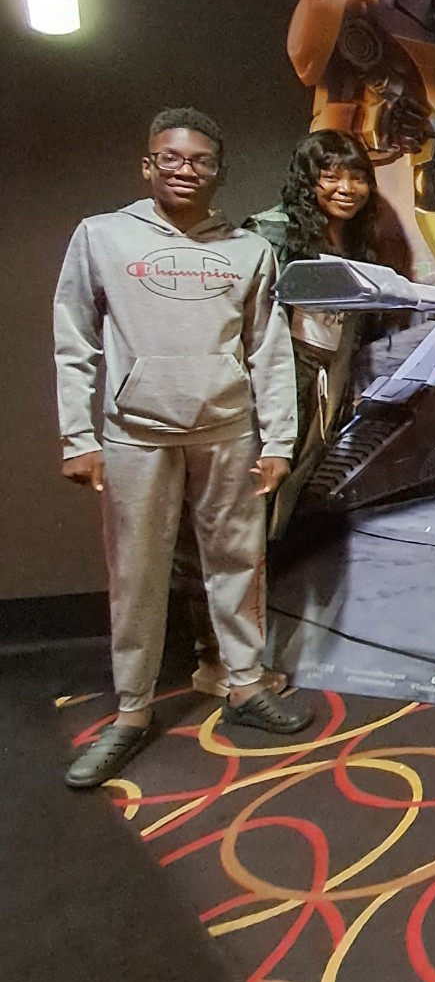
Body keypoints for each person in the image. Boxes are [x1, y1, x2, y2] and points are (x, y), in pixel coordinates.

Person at [53, 107, 316, 789]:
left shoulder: (248, 250)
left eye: (199, 160)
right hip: (136, 434)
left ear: (218, 172)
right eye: (170, 157)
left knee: (238, 563)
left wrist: (278, 440)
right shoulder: (102, 236)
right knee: (136, 573)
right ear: (148, 165)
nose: (184, 169)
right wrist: (78, 437)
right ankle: (132, 711)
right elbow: (73, 340)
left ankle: (245, 684)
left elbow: (269, 350)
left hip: (227, 432)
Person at [242, 128, 410, 541]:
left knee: (300, 480)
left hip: (329, 375)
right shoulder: (270, 231)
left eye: (358, 178)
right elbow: (249, 321)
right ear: (308, 179)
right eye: (331, 176)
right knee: (257, 480)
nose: (347, 189)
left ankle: (273, 563)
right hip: (280, 373)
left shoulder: (357, 238)